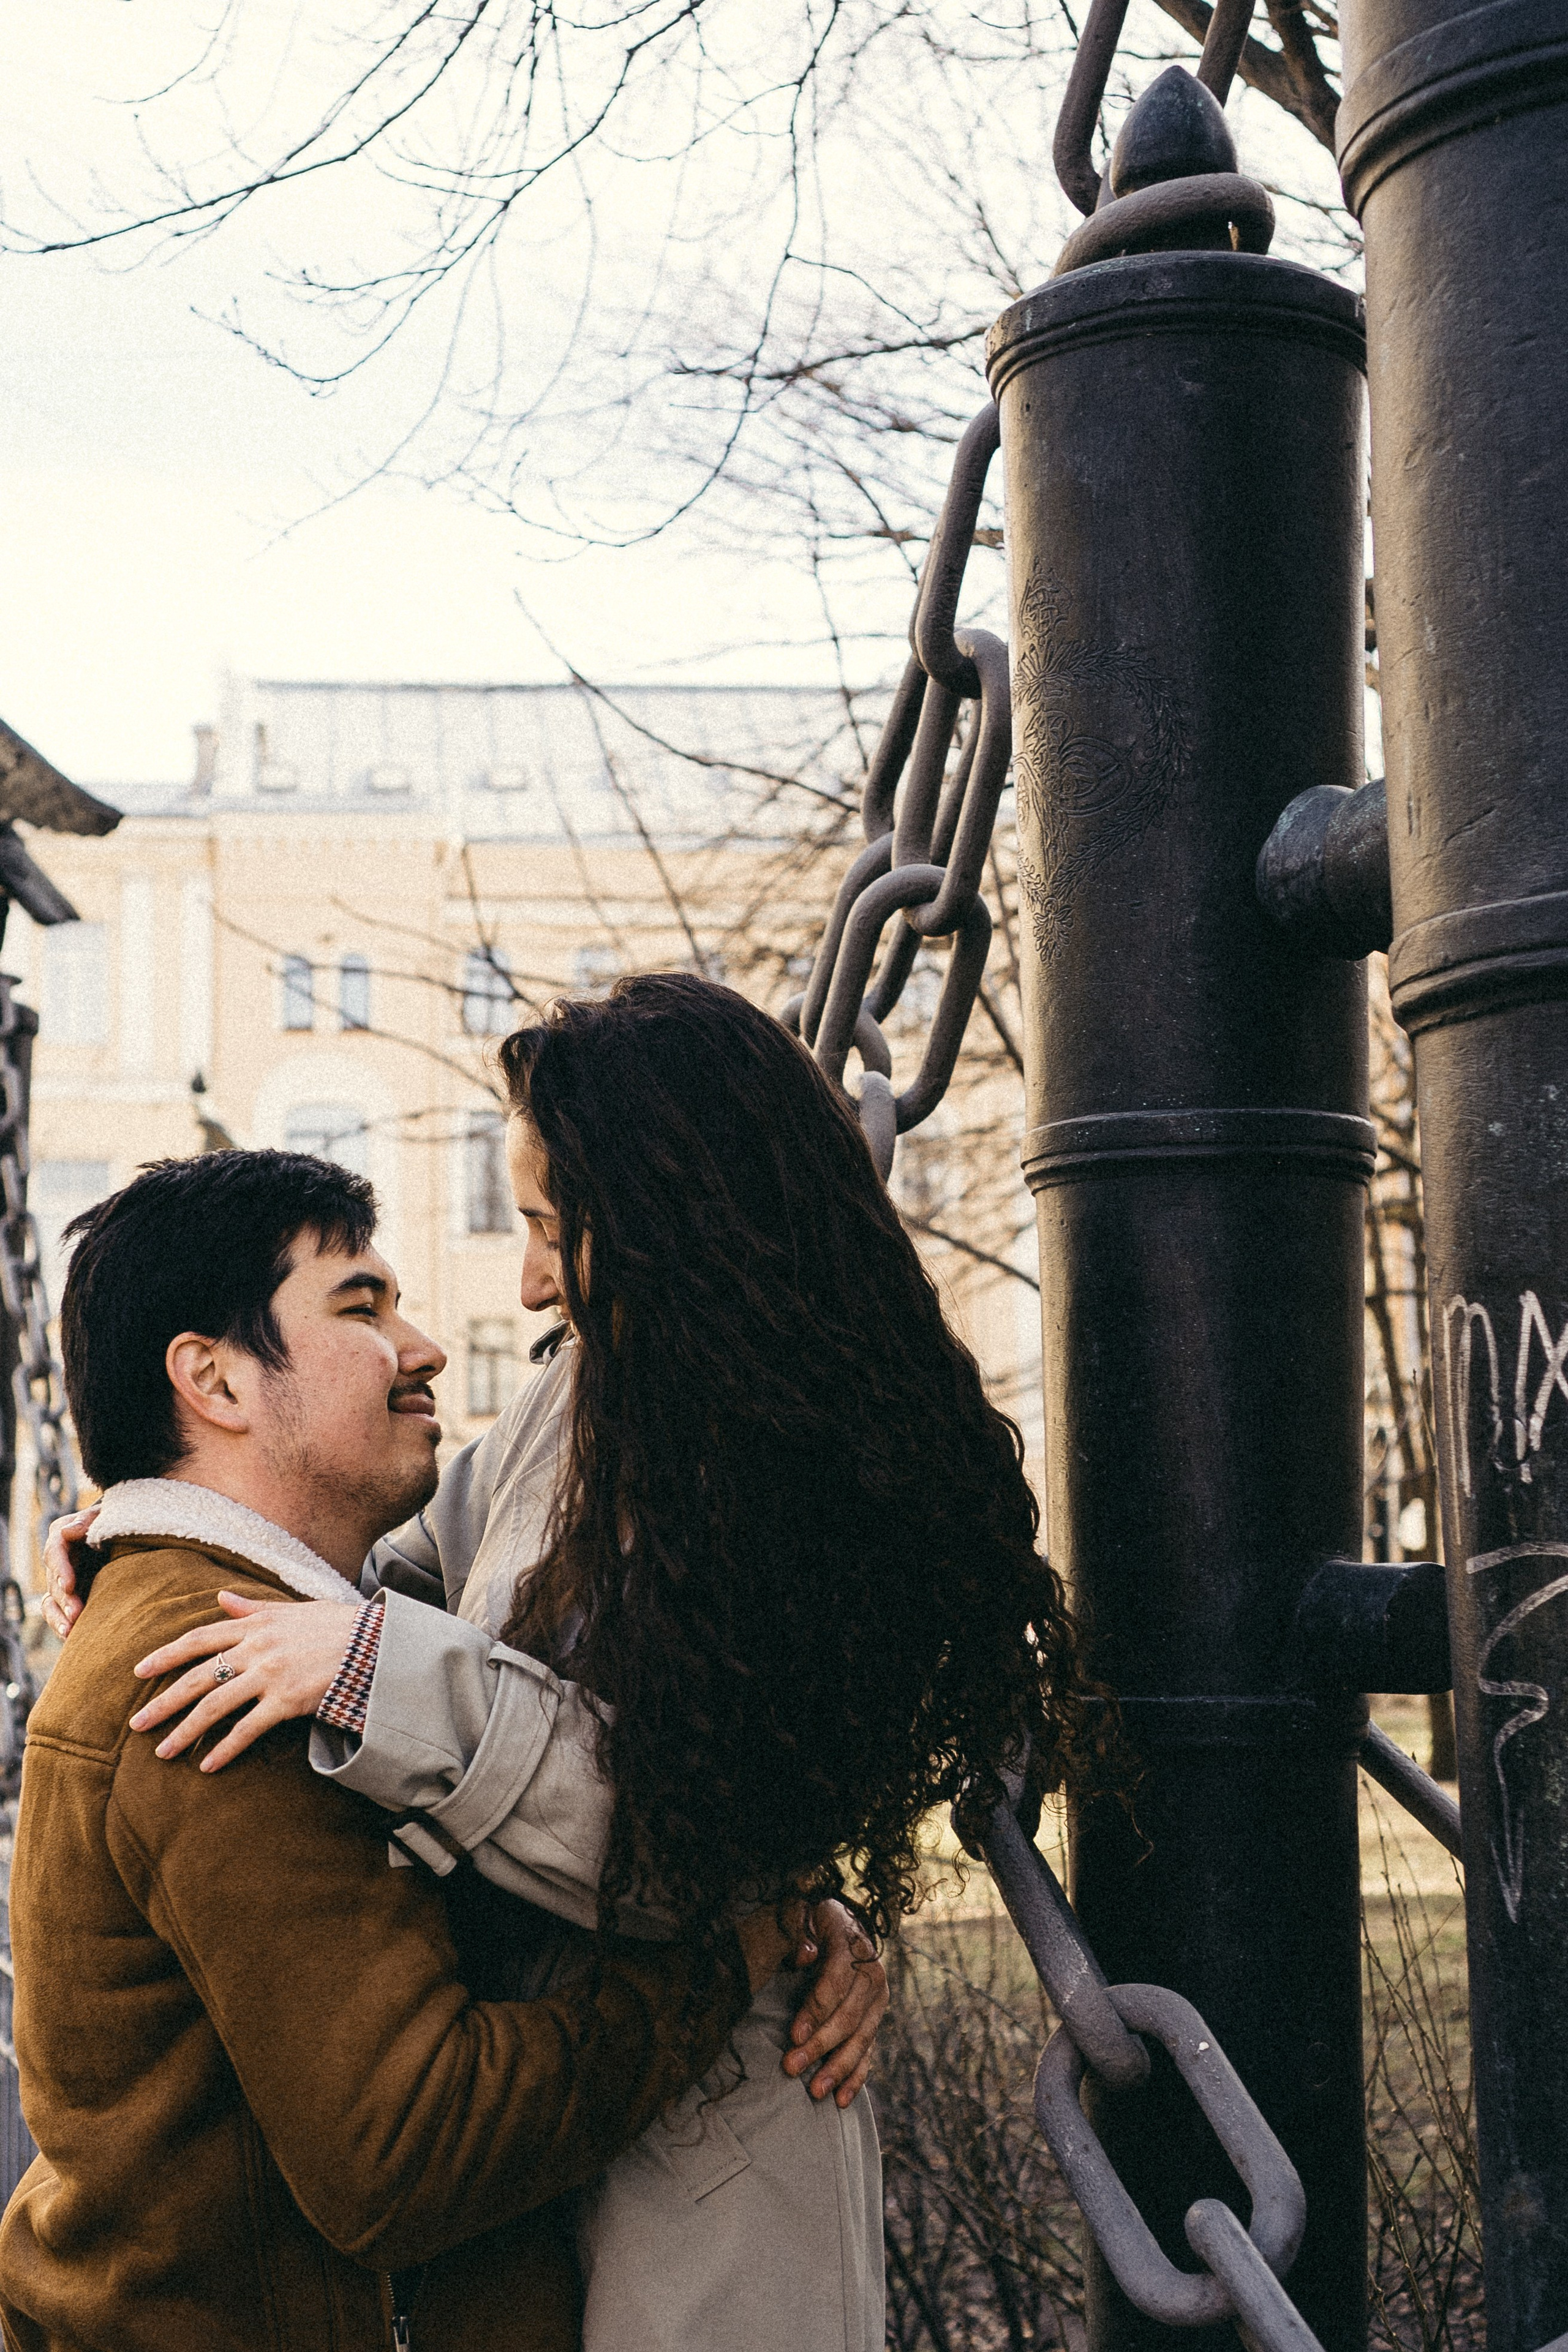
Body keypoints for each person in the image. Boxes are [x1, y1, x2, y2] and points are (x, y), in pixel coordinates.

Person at [53, 975, 1109, 2351]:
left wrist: (775, 1907)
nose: (528, 1279)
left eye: (553, 1228)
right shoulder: (579, 1402)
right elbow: (391, 1573)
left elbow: (700, 1814)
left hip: (704, 2172)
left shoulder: (786, 1473)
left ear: (673, 1229)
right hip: (568, 2121)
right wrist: (165, 1533)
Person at [5, 1148, 877, 2352]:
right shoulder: (226, 1682)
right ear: (212, 1379)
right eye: (361, 1306)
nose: (421, 1349)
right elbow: (408, 2153)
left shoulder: (254, 1626)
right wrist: (734, 1949)